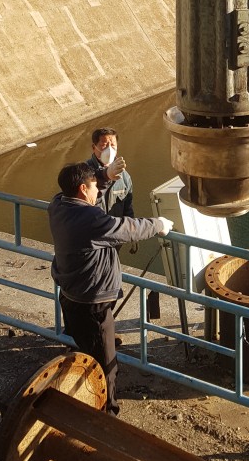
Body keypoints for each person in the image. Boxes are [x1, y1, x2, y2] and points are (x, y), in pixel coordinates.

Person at [48, 161, 172, 415]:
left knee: (84, 348)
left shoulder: (58, 204)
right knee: (105, 365)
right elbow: (127, 229)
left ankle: (85, 397)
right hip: (93, 304)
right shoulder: (90, 219)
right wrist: (159, 224)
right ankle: (105, 413)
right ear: (83, 189)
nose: (99, 192)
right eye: (95, 186)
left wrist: (104, 176)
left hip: (70, 294)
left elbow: (89, 196)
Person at [86, 127, 133, 218]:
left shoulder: (124, 176)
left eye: (113, 145)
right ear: (94, 147)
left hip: (115, 226)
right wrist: (106, 175)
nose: (109, 149)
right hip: (95, 225)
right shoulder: (84, 172)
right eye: (104, 145)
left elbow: (128, 211)